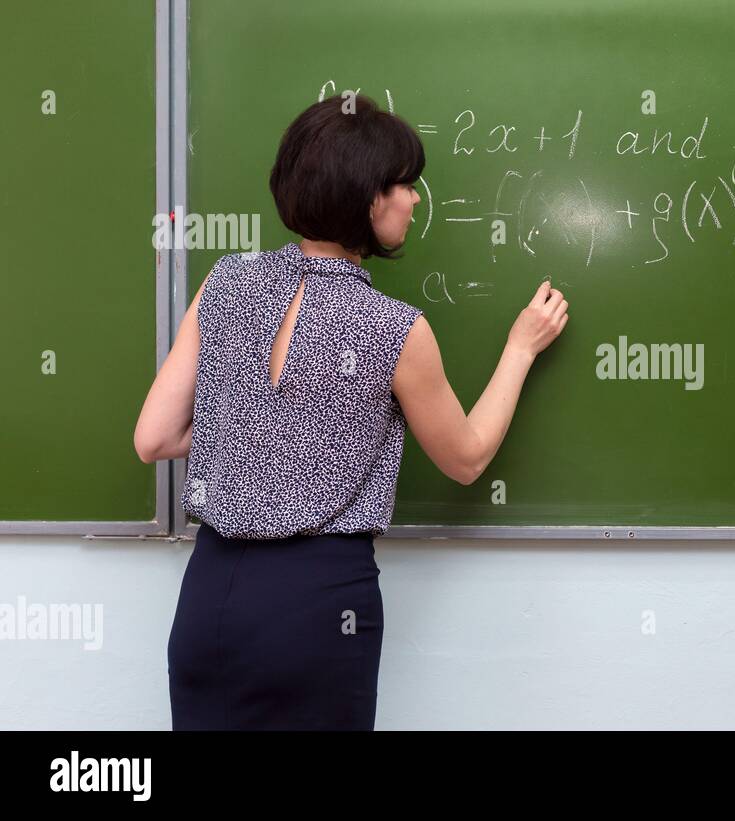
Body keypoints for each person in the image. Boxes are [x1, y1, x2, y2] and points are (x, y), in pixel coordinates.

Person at [133, 94, 569, 729]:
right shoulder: (394, 329)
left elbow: (154, 437)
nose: (415, 200)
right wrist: (520, 348)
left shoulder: (225, 282)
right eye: (403, 185)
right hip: (319, 603)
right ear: (368, 196)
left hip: (212, 597)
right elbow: (467, 458)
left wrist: (256, 425)